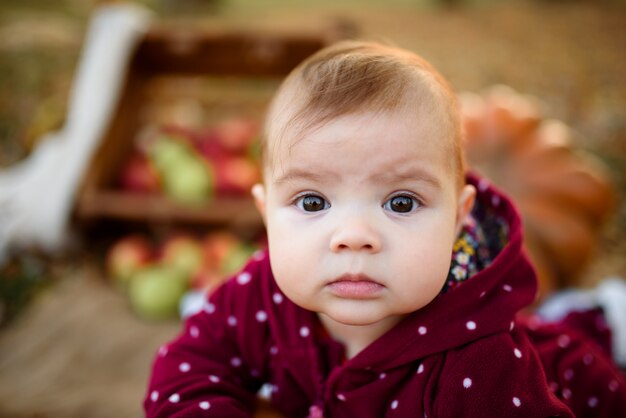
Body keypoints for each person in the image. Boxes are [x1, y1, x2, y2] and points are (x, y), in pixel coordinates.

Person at [144, 41, 626, 417]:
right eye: (313, 201)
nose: (354, 235)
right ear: (267, 214)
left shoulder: (481, 366)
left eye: (401, 201)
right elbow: (188, 366)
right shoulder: (259, 296)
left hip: (571, 377)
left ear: (459, 218)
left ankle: (597, 321)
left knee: (564, 345)